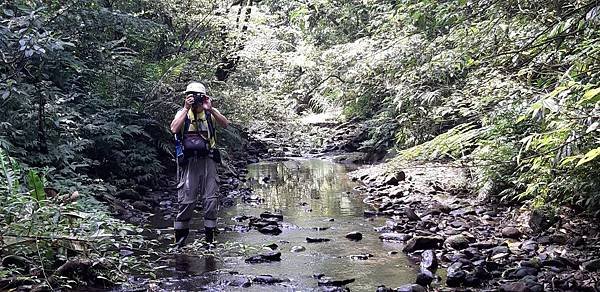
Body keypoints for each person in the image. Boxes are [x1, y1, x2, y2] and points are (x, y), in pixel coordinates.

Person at [170, 82, 229, 248]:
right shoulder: (182, 113)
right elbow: (174, 129)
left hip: (208, 160)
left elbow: (225, 124)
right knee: (186, 201)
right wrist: (185, 107)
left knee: (210, 200)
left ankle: (210, 242)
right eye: (191, 95)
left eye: (198, 95)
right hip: (189, 162)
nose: (195, 99)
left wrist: (211, 109)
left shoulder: (209, 113)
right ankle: (180, 241)